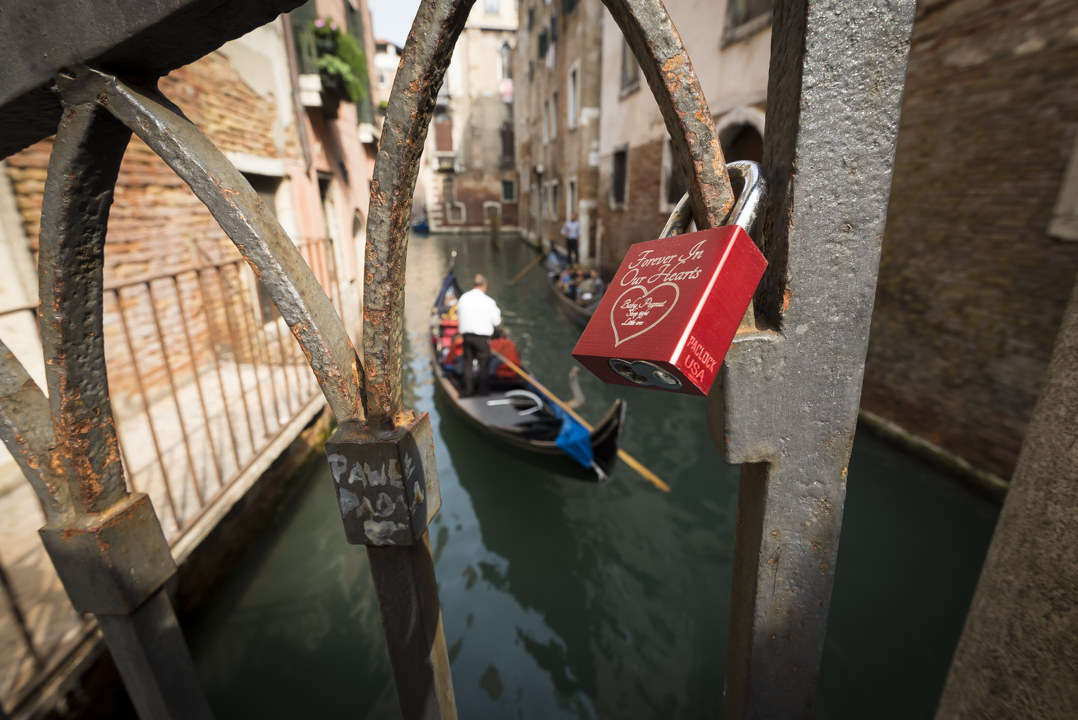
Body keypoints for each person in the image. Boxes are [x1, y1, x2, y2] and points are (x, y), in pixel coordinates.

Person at [455, 273, 502, 397]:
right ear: (484, 286)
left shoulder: (463, 298)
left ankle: (467, 391)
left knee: (468, 362)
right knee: (483, 363)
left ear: (473, 285)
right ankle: (483, 391)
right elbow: (497, 321)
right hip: (482, 338)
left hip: (467, 336)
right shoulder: (489, 302)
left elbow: (458, 315)